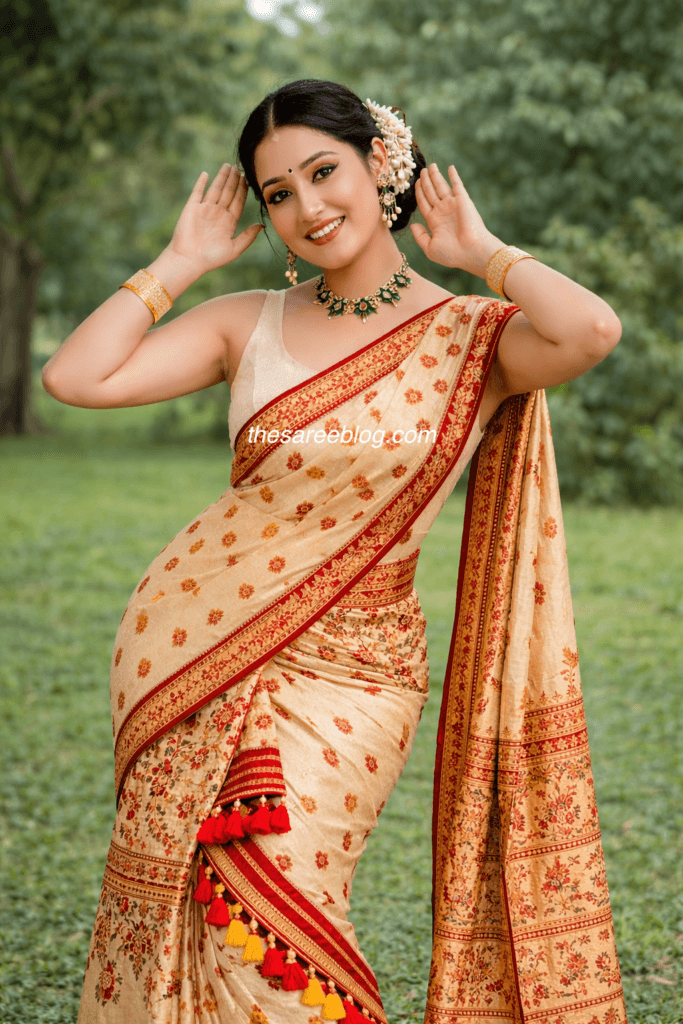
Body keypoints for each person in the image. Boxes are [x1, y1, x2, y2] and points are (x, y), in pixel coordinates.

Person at [42, 79, 628, 1024]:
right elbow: (75, 376)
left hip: (358, 672)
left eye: (324, 173)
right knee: (187, 910)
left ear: (380, 165)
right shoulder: (246, 323)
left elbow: (590, 328)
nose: (307, 208)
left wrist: (483, 254)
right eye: (278, 193)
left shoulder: (472, 338)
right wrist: (178, 260)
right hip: (196, 653)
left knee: (283, 906)